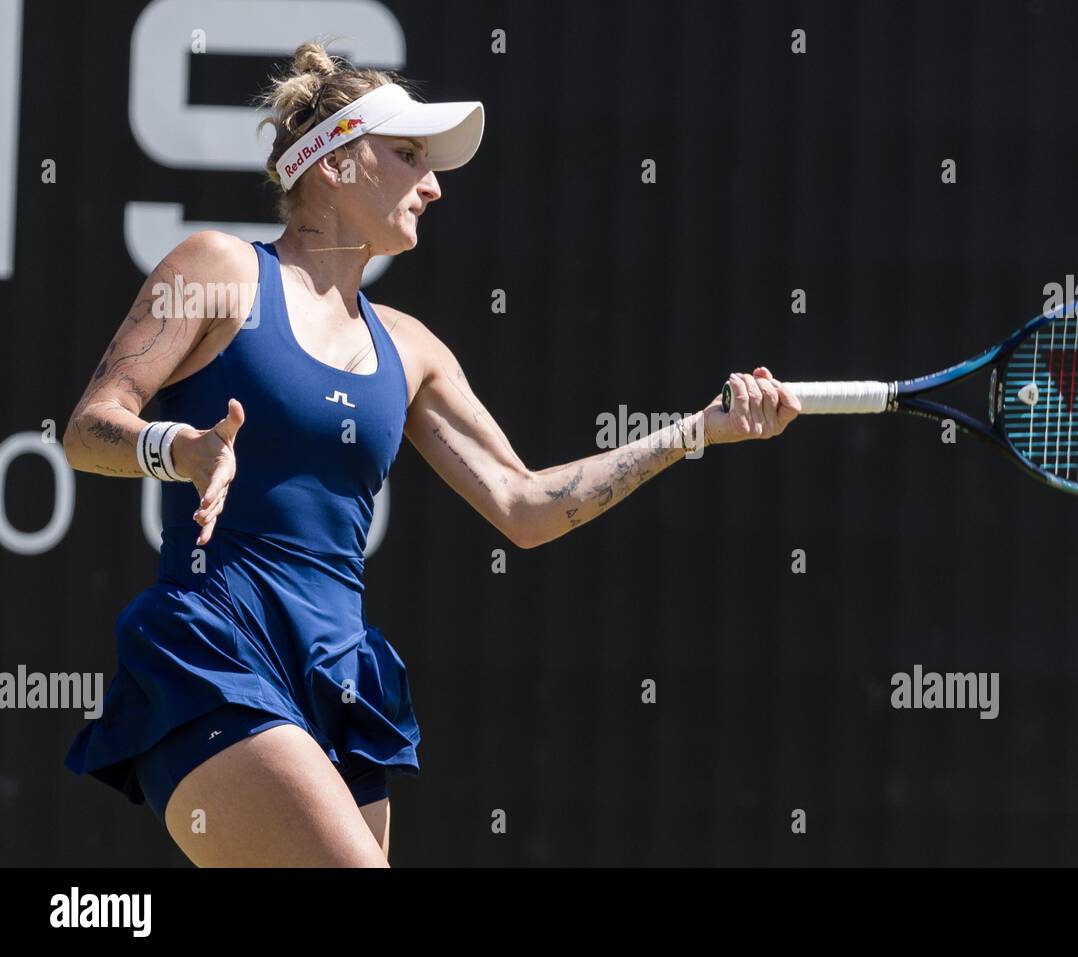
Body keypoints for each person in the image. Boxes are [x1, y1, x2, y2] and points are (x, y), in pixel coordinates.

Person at [61, 42, 800, 867]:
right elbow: (90, 426)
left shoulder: (412, 349)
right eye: (407, 155)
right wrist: (181, 449)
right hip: (217, 654)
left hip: (339, 680)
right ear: (334, 164)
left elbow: (524, 507)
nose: (434, 183)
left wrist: (700, 429)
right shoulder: (219, 270)